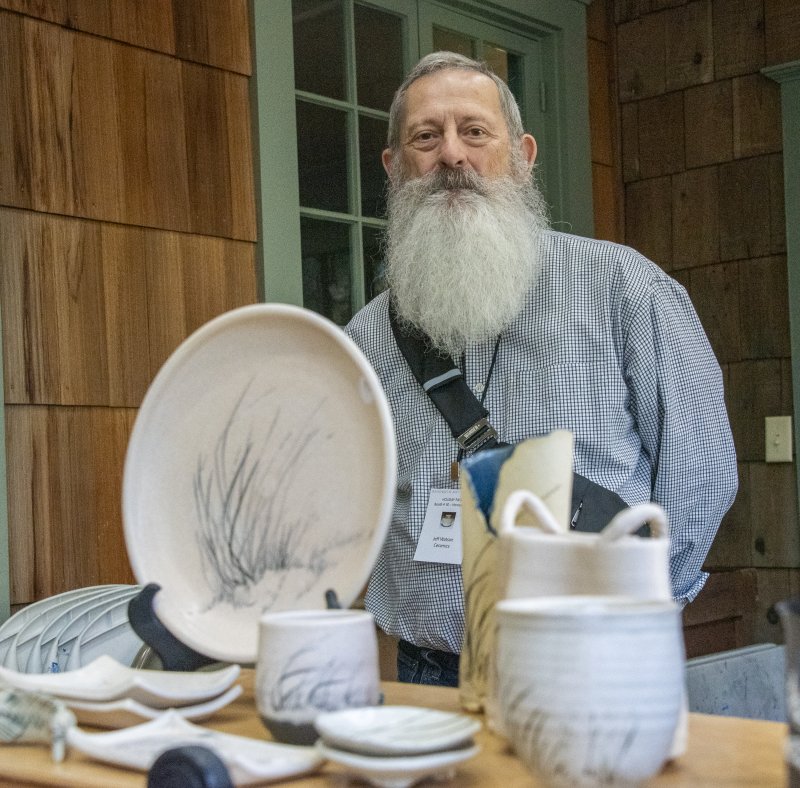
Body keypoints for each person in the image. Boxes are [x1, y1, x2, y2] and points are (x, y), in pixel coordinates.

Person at [345, 51, 738, 687]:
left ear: (523, 155)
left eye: (475, 131)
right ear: (395, 168)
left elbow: (702, 471)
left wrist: (634, 608)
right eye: (426, 136)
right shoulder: (365, 335)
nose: (451, 156)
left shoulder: (624, 288)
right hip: (428, 672)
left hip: (596, 660)